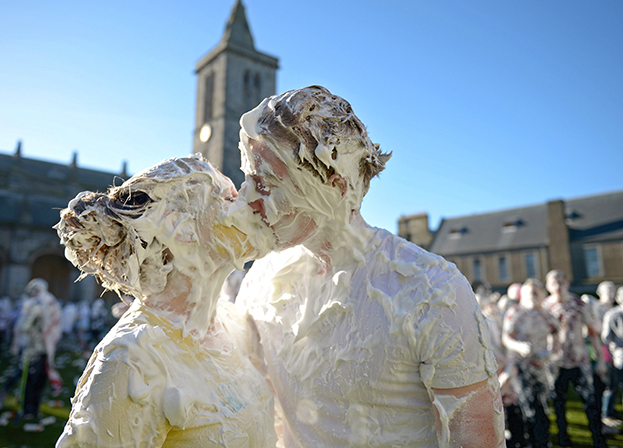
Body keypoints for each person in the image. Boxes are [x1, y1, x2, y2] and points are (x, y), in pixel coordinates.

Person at [234, 86, 504, 448]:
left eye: (265, 182)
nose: (246, 197)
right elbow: (265, 418)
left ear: (335, 187)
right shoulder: (261, 281)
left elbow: (477, 442)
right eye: (248, 177)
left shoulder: (430, 290)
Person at [55, 155, 277, 448]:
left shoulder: (233, 323)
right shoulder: (130, 360)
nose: (248, 203)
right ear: (180, 227)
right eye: (227, 197)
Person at [543, 269, 608, 448]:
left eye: (561, 281)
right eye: (554, 282)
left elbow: (593, 333)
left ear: (567, 283)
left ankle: (598, 440)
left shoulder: (578, 304)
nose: (558, 286)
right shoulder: (544, 308)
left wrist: (601, 359)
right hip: (555, 363)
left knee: (590, 402)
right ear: (548, 286)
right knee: (558, 403)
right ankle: (564, 440)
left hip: (580, 361)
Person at [502, 278, 559, 448]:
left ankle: (542, 441)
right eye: (529, 293)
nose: (532, 296)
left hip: (541, 367)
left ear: (542, 294)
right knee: (526, 405)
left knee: (541, 404)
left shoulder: (547, 314)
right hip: (520, 366)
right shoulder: (516, 312)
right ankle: (528, 441)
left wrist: (551, 351)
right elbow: (506, 338)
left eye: (536, 292)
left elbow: (556, 334)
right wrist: (519, 346)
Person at [14, 278, 62, 418]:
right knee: (37, 379)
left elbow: (24, 326)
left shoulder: (37, 304)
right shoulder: (51, 302)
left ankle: (30, 408)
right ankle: (32, 408)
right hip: (44, 348)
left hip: (35, 348)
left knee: (34, 380)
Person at [602, 286, 623, 424]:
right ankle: (608, 414)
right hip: (618, 355)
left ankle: (608, 413)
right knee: (612, 386)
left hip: (618, 354)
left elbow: (606, 337)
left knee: (613, 386)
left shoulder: (611, 313)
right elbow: (606, 337)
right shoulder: (613, 314)